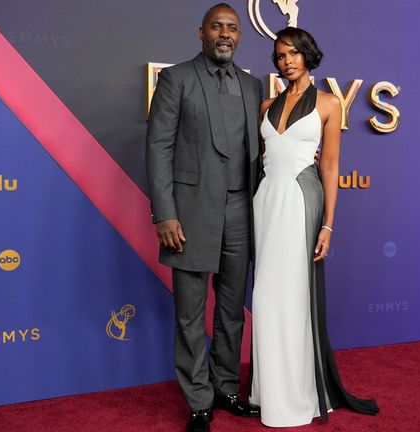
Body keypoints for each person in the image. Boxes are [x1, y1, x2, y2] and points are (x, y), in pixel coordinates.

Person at [249, 27, 379, 427]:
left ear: (308, 55)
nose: (286, 61)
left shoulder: (328, 104)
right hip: (265, 202)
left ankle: (296, 394)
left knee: (294, 295)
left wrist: (329, 226)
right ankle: (266, 391)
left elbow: (330, 166)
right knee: (267, 297)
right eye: (279, 55)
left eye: (292, 53)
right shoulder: (266, 104)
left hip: (301, 203)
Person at [145, 3, 262, 432]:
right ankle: (198, 399)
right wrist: (165, 213)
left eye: (232, 27)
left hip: (241, 212)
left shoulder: (251, 87)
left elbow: (259, 155)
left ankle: (225, 387)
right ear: (201, 33)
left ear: (240, 35)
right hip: (190, 214)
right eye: (217, 27)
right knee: (190, 313)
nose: (225, 34)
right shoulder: (176, 79)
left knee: (231, 310)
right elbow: (158, 149)